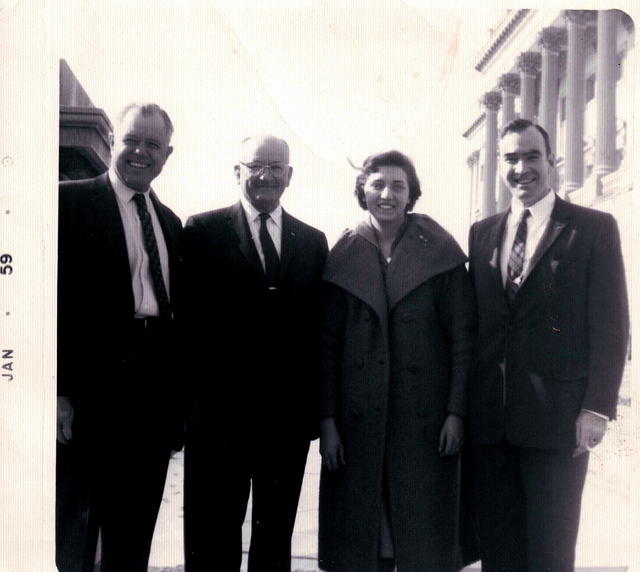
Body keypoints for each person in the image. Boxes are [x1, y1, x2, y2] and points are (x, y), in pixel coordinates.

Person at [468, 119, 629, 572]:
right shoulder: (482, 233)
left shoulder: (592, 227)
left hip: (558, 421)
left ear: (552, 160)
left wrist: (596, 408)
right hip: (493, 422)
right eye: (511, 159)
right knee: (500, 553)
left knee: (551, 554)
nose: (522, 168)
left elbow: (612, 324)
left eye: (531, 156)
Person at [318, 151, 477, 572]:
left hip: (424, 423)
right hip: (358, 424)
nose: (387, 195)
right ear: (362, 191)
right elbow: (327, 348)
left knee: (422, 534)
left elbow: (464, 341)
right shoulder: (344, 254)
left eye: (398, 186)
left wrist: (456, 413)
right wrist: (328, 423)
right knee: (364, 538)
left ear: (412, 194)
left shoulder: (440, 252)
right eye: (377, 185)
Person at [182, 134, 329, 572]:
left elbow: (316, 333)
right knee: (213, 536)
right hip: (219, 421)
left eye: (275, 167)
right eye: (254, 166)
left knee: (275, 534)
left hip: (285, 424)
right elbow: (188, 327)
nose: (265, 175)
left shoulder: (313, 241)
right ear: (237, 171)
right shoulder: (202, 231)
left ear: (290, 176)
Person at [56, 102, 184, 572]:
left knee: (133, 533)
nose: (140, 152)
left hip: (151, 400)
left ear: (167, 155)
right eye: (132, 139)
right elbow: (49, 307)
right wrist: (58, 391)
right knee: (75, 527)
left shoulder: (171, 224)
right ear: (114, 142)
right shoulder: (66, 203)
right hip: (90, 395)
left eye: (153, 144)